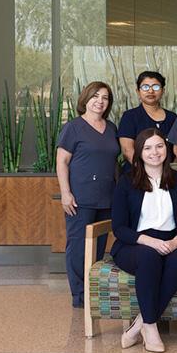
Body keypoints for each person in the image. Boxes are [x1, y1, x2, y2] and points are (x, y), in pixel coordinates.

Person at [111, 128, 177, 353]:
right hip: (135, 244)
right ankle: (150, 327)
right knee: (149, 258)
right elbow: (118, 227)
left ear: (167, 150)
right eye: (147, 148)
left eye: (159, 146)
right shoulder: (127, 181)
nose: (154, 152)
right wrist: (148, 241)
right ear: (139, 153)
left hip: (171, 240)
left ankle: (137, 324)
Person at [57, 81, 120, 308]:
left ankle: (93, 290)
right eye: (95, 96)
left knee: (99, 245)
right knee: (77, 246)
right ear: (86, 99)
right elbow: (62, 161)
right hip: (80, 198)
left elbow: (113, 161)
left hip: (107, 196)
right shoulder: (73, 127)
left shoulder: (111, 128)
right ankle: (79, 296)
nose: (100, 101)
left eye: (104, 97)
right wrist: (65, 193)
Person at [118, 71, 177, 173]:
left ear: (163, 91)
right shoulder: (130, 116)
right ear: (138, 91)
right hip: (136, 174)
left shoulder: (173, 117)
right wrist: (146, 172)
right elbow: (127, 150)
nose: (150, 91)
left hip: (166, 175)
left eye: (156, 87)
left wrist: (168, 172)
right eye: (145, 87)